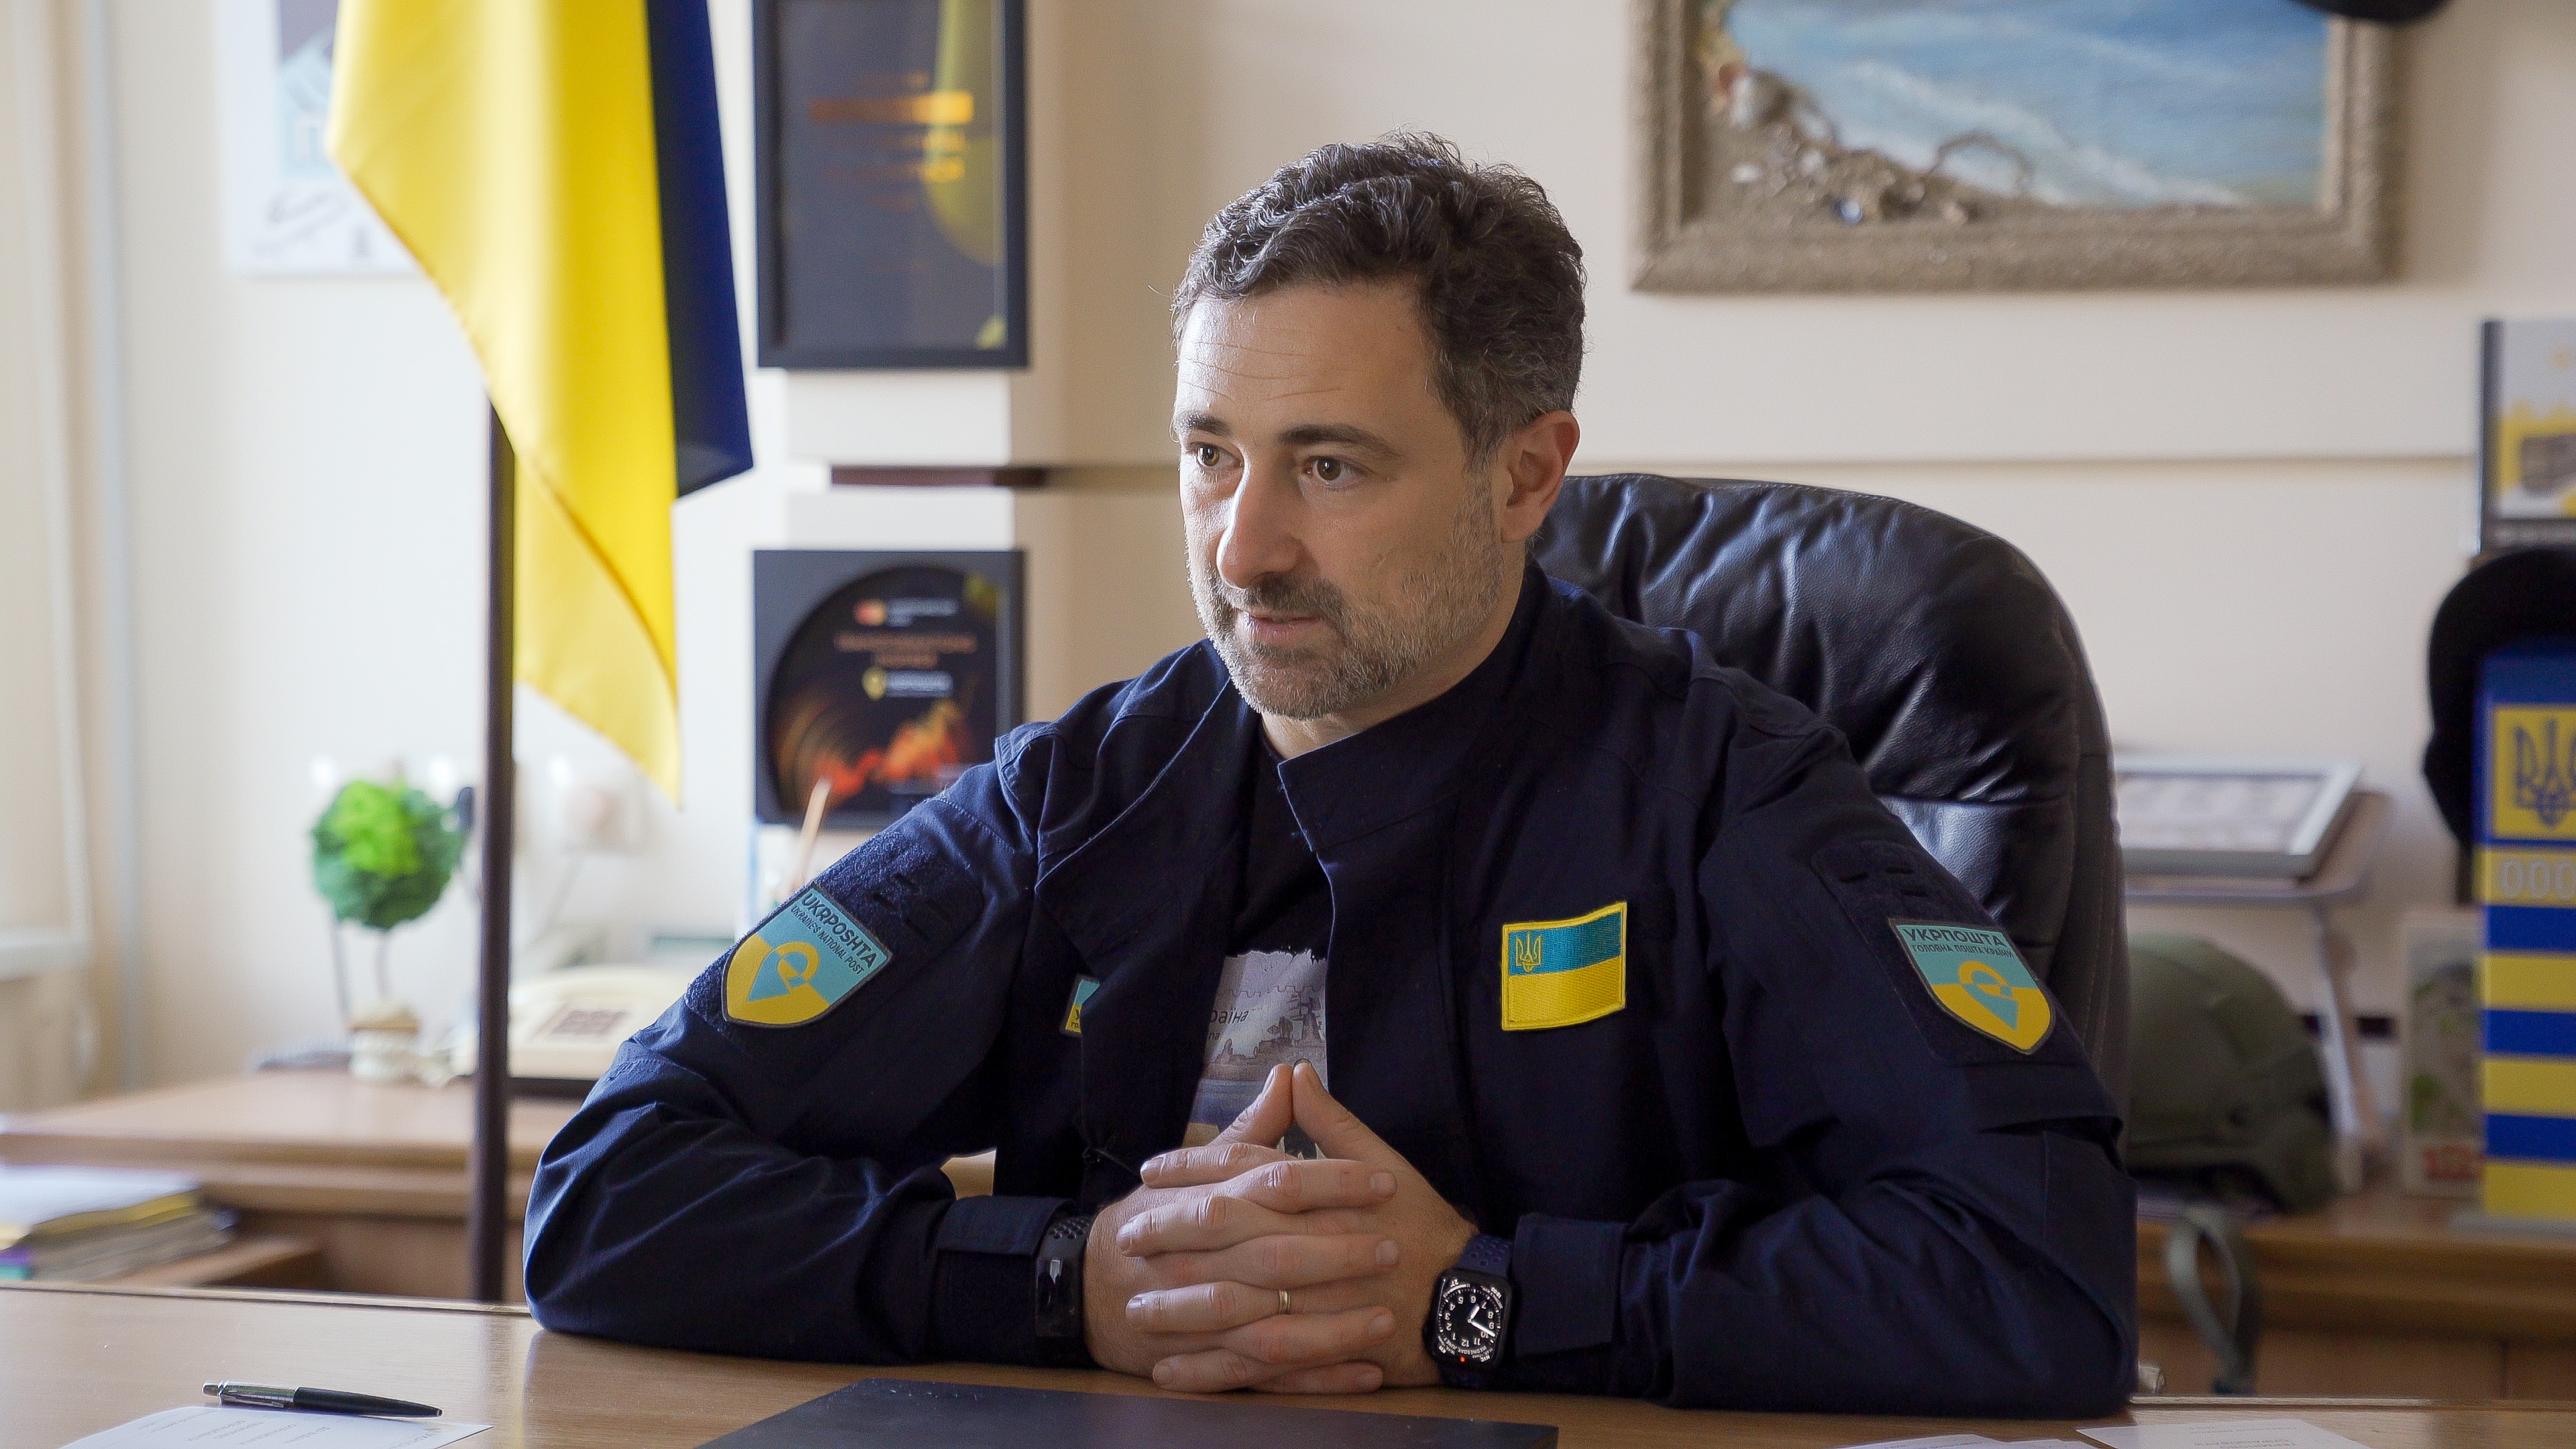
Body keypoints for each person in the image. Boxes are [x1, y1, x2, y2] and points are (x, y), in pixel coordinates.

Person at [525, 133, 2135, 1413]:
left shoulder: (1730, 791)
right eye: (1209, 455)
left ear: (1526, 475)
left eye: (1329, 466)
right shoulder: (1079, 794)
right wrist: (1070, 1283)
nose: (1245, 549)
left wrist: (1480, 1304)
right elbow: (610, 1192)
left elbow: (2042, 1278)